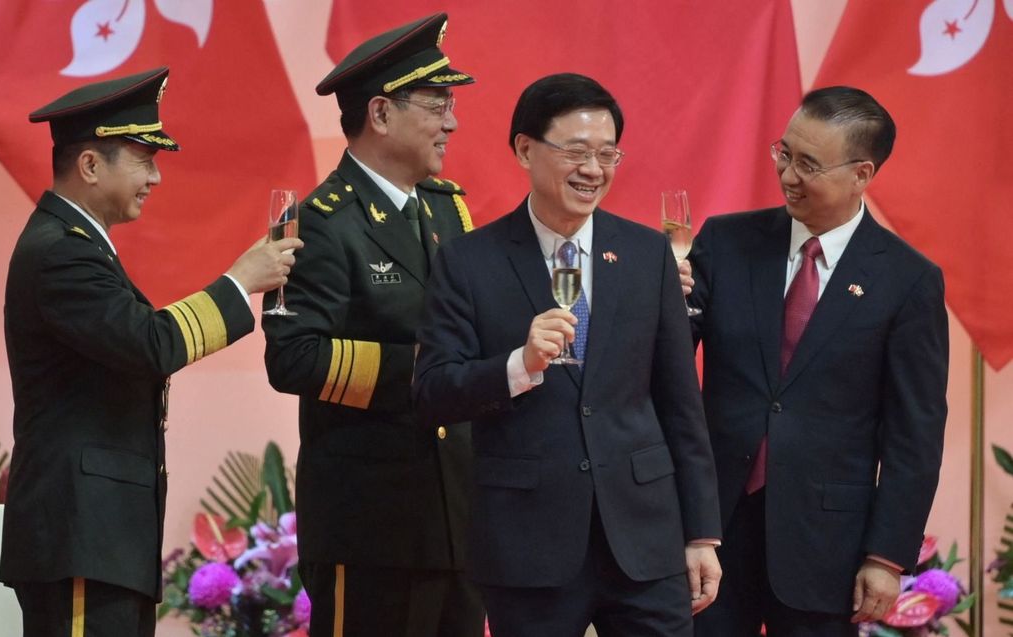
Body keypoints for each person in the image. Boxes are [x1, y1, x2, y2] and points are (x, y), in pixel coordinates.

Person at [412, 73, 723, 637]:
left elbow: (682, 403)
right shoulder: (468, 261)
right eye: (576, 152)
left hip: (645, 538)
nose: (593, 170)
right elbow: (433, 390)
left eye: (608, 154)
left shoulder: (646, 253)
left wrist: (701, 533)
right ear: (525, 149)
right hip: (528, 543)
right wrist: (518, 365)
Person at [0, 67, 301, 637]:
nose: (156, 178)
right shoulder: (61, 253)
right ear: (91, 165)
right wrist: (238, 283)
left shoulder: (79, 246)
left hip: (100, 540)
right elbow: (149, 344)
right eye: (143, 158)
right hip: (81, 536)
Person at [686, 86, 949, 637]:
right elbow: (666, 362)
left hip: (826, 542)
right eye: (784, 153)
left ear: (862, 173)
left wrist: (885, 556)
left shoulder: (908, 281)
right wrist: (655, 298)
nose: (788, 175)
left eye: (809, 164)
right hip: (711, 530)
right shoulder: (725, 241)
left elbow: (914, 433)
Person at [262, 13, 484, 637]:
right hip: (371, 531)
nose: (453, 121)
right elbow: (294, 358)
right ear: (381, 114)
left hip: (457, 522)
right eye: (438, 103)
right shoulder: (319, 224)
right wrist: (425, 369)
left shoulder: (448, 208)